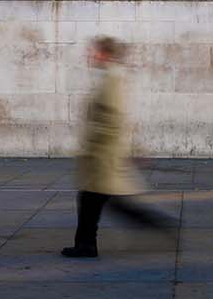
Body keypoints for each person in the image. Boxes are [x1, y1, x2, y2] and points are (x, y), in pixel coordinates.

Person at [61, 36, 175, 260]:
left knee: (96, 201)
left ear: (105, 53)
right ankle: (86, 245)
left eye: (94, 51)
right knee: (100, 201)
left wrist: (95, 143)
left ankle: (87, 246)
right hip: (102, 155)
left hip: (103, 156)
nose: (90, 55)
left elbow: (115, 117)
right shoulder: (110, 77)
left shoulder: (113, 79)